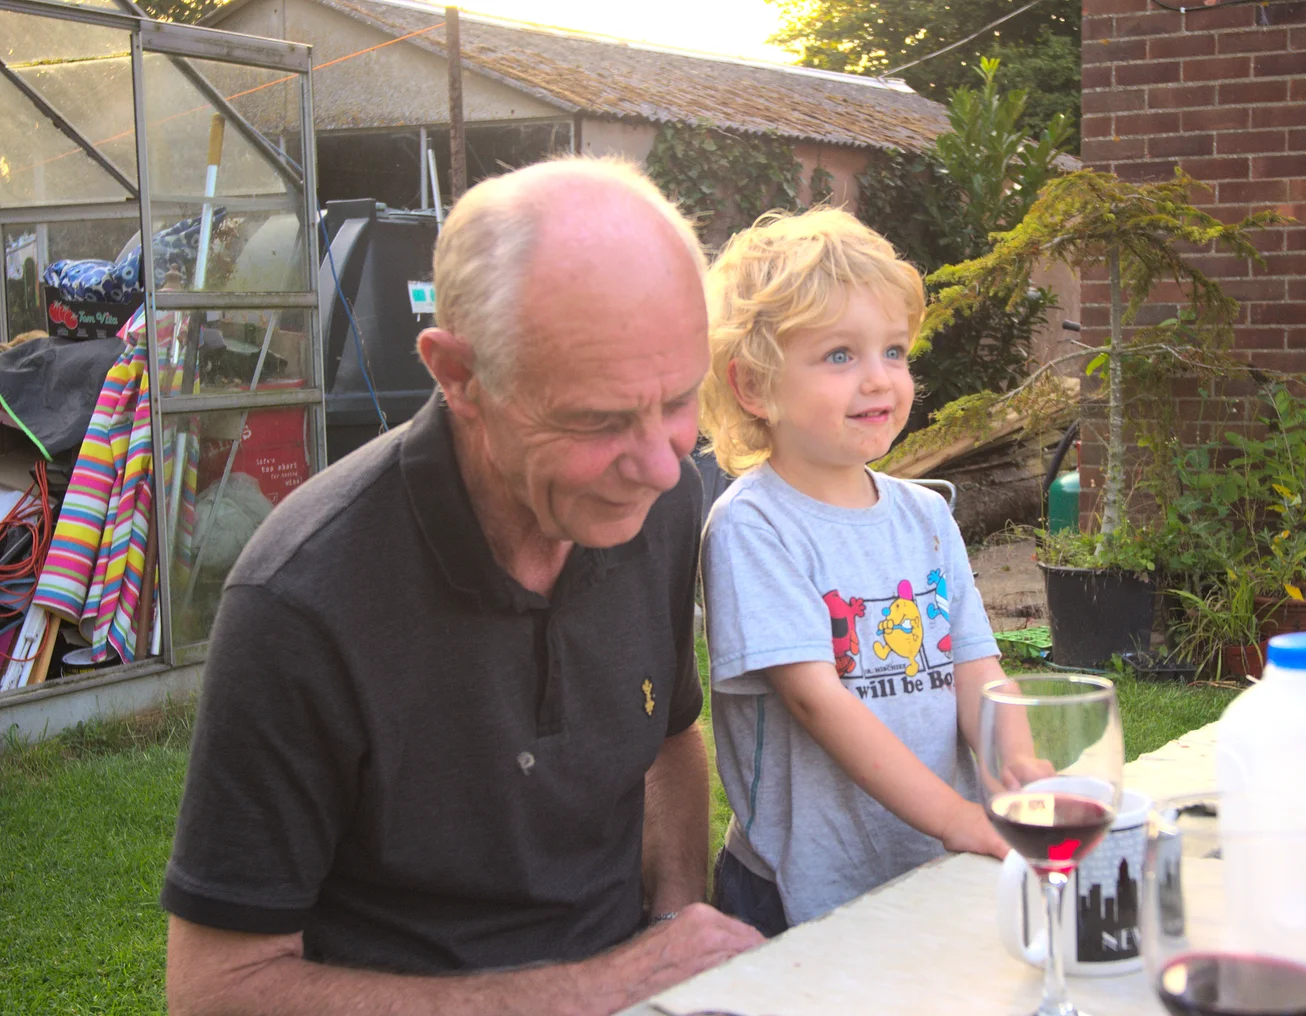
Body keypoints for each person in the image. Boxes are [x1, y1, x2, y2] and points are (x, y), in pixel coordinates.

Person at [160, 158, 762, 1016]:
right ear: (458, 376)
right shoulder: (301, 599)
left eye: (678, 399)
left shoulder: (652, 504)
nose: (665, 464)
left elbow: (670, 735)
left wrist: (673, 920)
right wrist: (596, 989)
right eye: (597, 420)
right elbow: (217, 990)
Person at [696, 208, 1010, 937]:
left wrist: (1017, 767)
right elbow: (817, 703)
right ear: (754, 387)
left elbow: (978, 670)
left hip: (932, 858)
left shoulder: (926, 516)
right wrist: (957, 817)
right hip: (805, 886)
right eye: (840, 355)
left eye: (894, 352)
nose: (879, 380)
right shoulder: (754, 528)